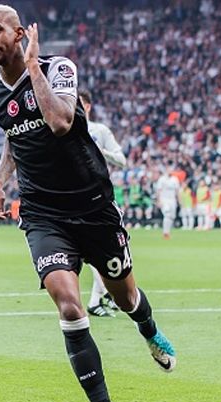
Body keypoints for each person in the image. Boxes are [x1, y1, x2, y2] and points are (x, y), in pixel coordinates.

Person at [0, 6, 175, 402]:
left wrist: (33, 68)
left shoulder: (57, 68)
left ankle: (149, 331)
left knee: (126, 298)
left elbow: (61, 121)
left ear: (18, 34)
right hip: (43, 213)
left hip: (94, 207)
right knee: (69, 306)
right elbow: (14, 138)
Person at [79, 89, 126, 318]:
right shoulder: (62, 127)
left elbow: (122, 161)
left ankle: (97, 300)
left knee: (102, 249)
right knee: (88, 248)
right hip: (74, 196)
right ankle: (105, 294)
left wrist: (102, 151)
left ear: (87, 106)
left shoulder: (100, 131)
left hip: (100, 196)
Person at [155, 167, 180, 239]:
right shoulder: (162, 179)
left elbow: (177, 191)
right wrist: (158, 201)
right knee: (167, 214)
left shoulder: (175, 179)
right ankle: (165, 233)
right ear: (166, 170)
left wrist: (179, 201)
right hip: (164, 200)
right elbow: (158, 191)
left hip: (173, 200)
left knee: (172, 216)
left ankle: (168, 231)